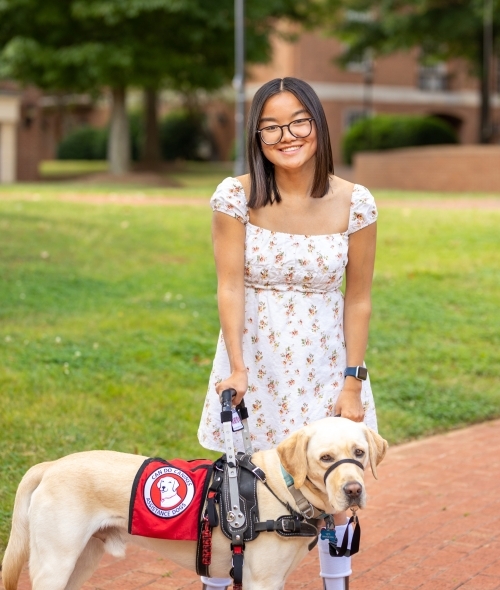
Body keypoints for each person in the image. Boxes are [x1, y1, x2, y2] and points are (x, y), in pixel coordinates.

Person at [198, 77, 378, 590]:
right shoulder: (236, 196)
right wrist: (237, 366)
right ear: (256, 136)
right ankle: (225, 574)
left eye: (299, 121)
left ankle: (335, 581)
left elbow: (359, 297)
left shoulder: (356, 201)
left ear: (318, 124)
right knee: (245, 478)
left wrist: (352, 381)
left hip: (325, 361)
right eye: (270, 126)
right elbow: (229, 286)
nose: (286, 135)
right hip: (257, 358)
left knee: (336, 481)